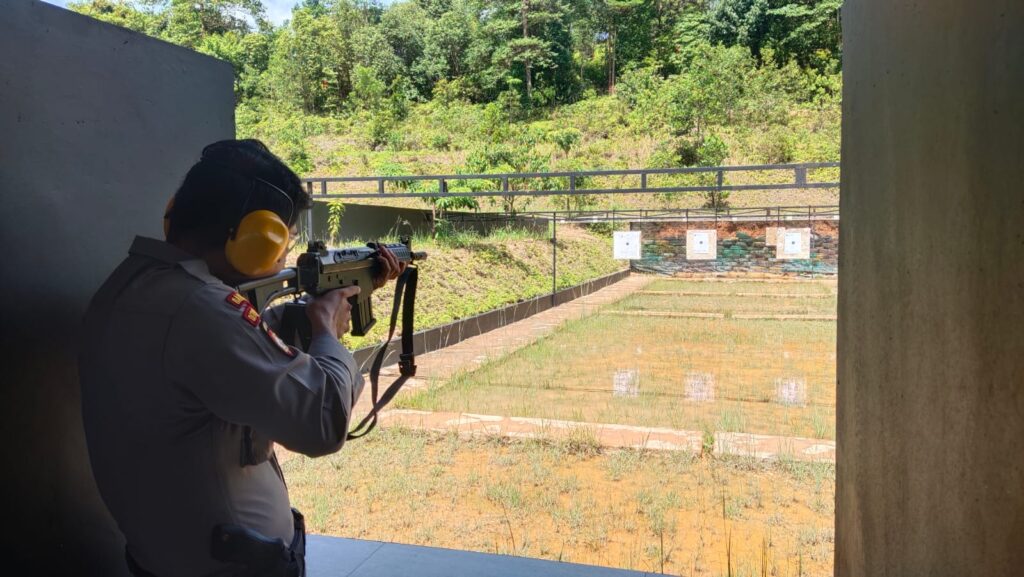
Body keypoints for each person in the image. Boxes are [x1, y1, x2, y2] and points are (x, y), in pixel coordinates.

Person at [79, 139, 404, 577]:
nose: (284, 254)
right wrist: (328, 331)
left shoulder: (130, 285)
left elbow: (232, 353)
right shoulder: (202, 310)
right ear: (256, 240)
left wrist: (312, 313)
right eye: (281, 240)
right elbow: (322, 423)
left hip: (167, 555)